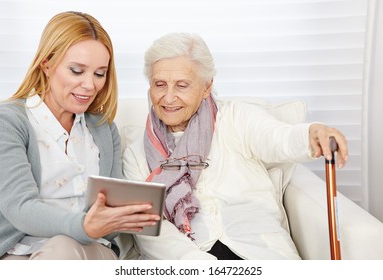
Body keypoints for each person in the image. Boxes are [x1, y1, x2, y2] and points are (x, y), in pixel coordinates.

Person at [122, 32, 348, 260]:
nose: (168, 98)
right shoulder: (136, 153)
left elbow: (278, 138)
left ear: (206, 87)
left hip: (258, 250)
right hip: (192, 259)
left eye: (182, 85)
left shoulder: (236, 117)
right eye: (160, 84)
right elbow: (150, 228)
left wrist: (311, 133)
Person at [0, 11, 160, 260]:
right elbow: (20, 208)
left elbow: (112, 211)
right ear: (47, 64)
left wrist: (122, 217)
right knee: (61, 249)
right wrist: (83, 225)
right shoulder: (7, 122)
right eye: (77, 70)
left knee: (67, 249)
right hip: (21, 252)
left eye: (99, 73)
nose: (90, 85)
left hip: (92, 250)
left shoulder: (103, 128)